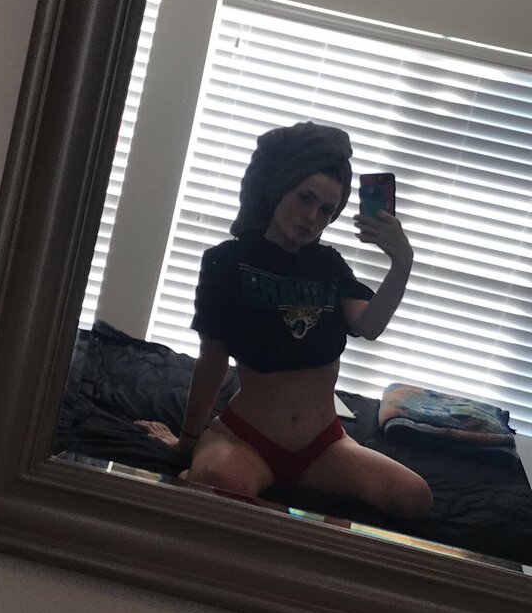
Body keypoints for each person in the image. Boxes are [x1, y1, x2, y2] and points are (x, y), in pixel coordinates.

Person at [137, 122, 432, 519]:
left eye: (326, 210)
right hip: (248, 440)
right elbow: (212, 361)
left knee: (414, 497)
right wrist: (186, 441)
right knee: (217, 485)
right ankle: (200, 474)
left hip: (324, 444)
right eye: (304, 197)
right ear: (279, 189)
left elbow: (369, 325)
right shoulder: (227, 262)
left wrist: (402, 263)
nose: (312, 217)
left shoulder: (329, 265)